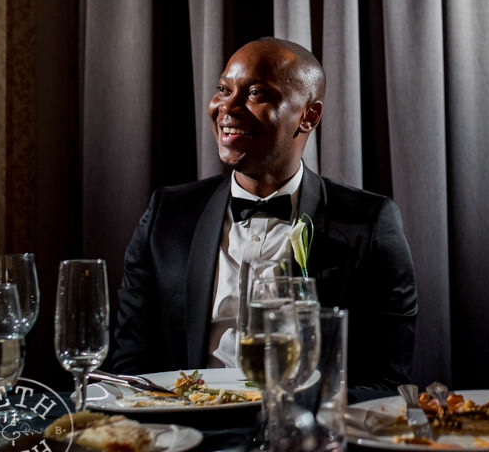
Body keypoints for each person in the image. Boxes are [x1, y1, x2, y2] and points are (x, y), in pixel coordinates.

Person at [112, 37, 418, 392]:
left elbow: (386, 380)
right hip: (185, 432)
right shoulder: (167, 215)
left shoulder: (369, 222)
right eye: (223, 89)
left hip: (302, 435)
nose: (228, 107)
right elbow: (130, 365)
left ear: (308, 115)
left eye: (255, 93)